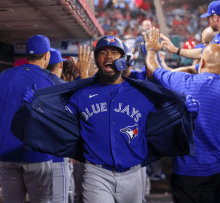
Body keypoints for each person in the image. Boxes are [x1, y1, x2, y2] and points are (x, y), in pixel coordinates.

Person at [17, 35, 199, 203]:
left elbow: (167, 116)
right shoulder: (81, 93)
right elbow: (61, 119)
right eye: (103, 52)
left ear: (123, 60)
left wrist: (186, 110)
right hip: (97, 174)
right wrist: (35, 107)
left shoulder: (142, 92)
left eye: (114, 52)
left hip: (135, 173)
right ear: (96, 60)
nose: (109, 56)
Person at [144, 27, 220, 203]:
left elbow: (152, 70)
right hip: (217, 170)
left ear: (201, 63)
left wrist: (151, 50)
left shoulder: (183, 82)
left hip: (187, 172)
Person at [0, 34, 54, 203]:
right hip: (37, 155)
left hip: (6, 155)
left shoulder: (4, 76)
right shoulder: (51, 81)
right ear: (47, 55)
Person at [47, 48, 71, 203]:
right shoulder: (64, 88)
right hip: (57, 156)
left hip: (35, 157)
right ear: (60, 65)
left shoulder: (36, 83)